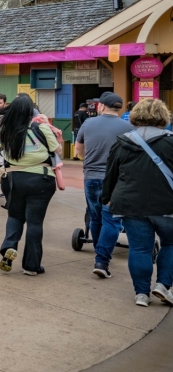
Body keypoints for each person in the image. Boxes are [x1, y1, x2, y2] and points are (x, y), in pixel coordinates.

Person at [101, 99, 173, 307]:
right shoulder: (171, 141)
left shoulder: (123, 141)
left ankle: (141, 294)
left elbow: (111, 174)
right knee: (170, 243)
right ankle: (163, 285)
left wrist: (106, 198)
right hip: (166, 204)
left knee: (140, 249)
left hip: (131, 204)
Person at [0, 94, 60, 276]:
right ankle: (31, 266)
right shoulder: (40, 127)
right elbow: (58, 149)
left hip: (12, 179)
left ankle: (9, 246)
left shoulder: (4, 129)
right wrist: (46, 126)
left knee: (15, 215)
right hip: (40, 179)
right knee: (34, 222)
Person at [75, 91, 133, 279]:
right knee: (113, 220)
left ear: (101, 106)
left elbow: (79, 150)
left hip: (91, 177)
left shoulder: (88, 123)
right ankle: (101, 260)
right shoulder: (128, 127)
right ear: (119, 108)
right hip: (116, 179)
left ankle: (99, 253)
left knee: (95, 216)